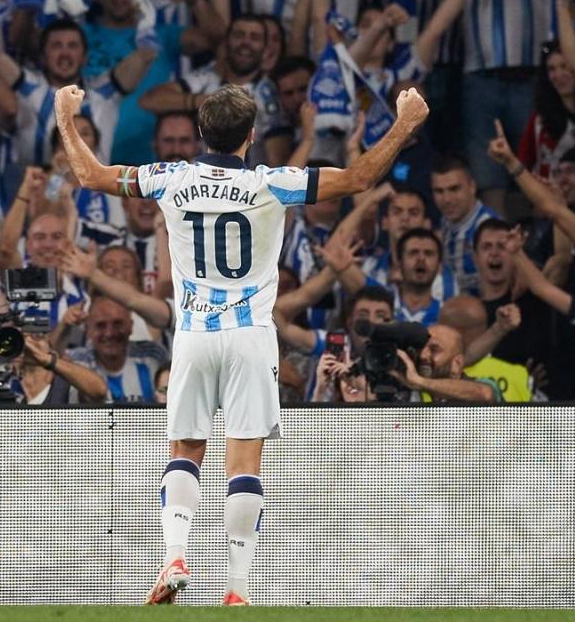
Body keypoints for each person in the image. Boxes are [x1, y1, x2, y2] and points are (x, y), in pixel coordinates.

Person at [55, 81, 430, 606]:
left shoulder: (169, 178)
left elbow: (90, 174)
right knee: (243, 461)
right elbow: (361, 178)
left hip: (193, 335)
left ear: (201, 134)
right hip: (251, 336)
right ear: (251, 136)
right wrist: (406, 122)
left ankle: (175, 557)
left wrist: (65, 117)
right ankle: (237, 588)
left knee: (186, 449)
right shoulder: (272, 183)